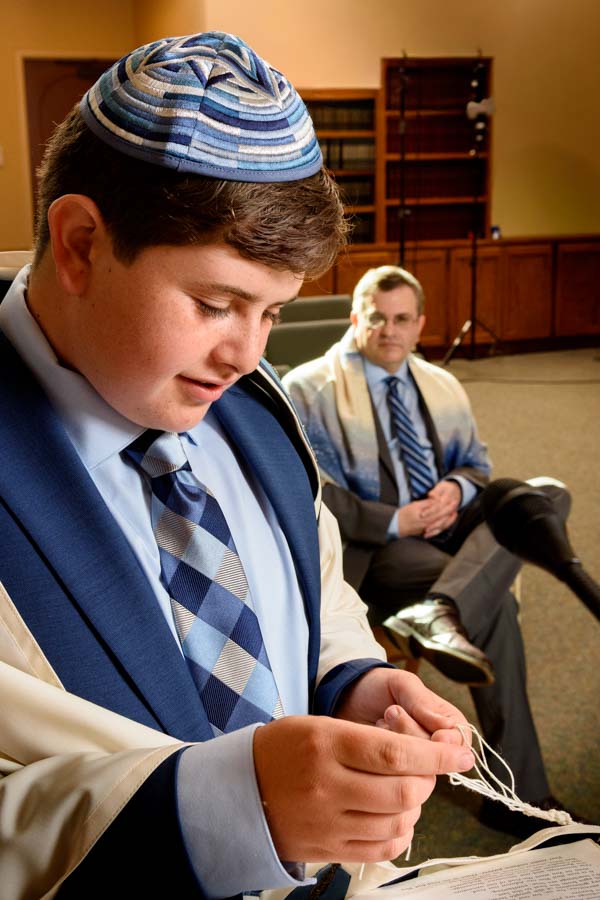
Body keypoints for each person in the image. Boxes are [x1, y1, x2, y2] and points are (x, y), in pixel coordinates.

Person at [0, 33, 480, 899]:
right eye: (215, 303)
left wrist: (355, 681)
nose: (246, 354)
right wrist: (224, 810)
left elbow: (317, 593)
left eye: (273, 313)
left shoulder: (257, 408)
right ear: (78, 245)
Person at [282, 264, 580, 838]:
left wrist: (457, 490)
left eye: (402, 319)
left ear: (420, 324)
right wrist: (398, 519)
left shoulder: (439, 382)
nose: (389, 330)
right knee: (498, 607)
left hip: (447, 524)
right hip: (381, 544)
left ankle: (441, 607)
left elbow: (477, 463)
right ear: (355, 318)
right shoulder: (310, 390)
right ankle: (523, 795)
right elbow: (313, 494)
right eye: (377, 318)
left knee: (543, 495)